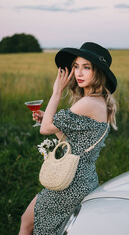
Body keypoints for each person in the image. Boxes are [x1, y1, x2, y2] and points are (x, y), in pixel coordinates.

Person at [19, 42, 118, 234]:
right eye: (76, 66)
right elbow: (68, 140)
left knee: (27, 222)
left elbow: (45, 130)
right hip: (82, 180)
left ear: (98, 72)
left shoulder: (87, 103)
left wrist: (57, 91)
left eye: (86, 68)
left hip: (69, 183)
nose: (79, 73)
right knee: (48, 226)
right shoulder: (99, 102)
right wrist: (48, 120)